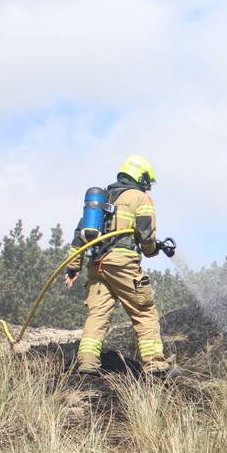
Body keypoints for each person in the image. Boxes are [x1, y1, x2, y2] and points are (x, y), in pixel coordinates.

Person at [65, 155, 176, 376]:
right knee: (144, 310)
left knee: (98, 314)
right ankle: (155, 365)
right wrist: (154, 249)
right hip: (122, 264)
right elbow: (146, 237)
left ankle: (87, 363)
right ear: (141, 177)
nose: (148, 186)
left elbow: (80, 235)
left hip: (97, 265)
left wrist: (73, 267)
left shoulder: (102, 199)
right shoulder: (140, 198)